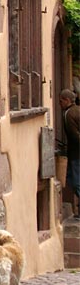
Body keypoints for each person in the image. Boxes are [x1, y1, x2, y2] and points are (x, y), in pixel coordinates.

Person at [59, 89, 80, 218]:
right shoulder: (77, 110)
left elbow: (74, 136)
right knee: (71, 178)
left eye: (61, 101)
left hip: (76, 153)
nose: (60, 104)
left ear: (67, 100)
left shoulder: (69, 114)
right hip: (75, 153)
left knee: (76, 181)